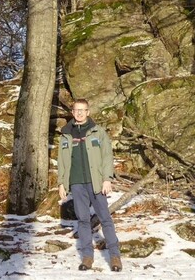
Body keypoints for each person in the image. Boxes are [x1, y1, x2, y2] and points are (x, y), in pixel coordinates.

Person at [57, 99, 122, 272]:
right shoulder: (65, 134)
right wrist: (62, 183)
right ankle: (87, 257)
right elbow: (62, 162)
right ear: (72, 112)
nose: (79, 113)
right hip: (77, 184)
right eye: (76, 110)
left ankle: (115, 256)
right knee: (83, 220)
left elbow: (107, 156)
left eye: (82, 110)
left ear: (88, 112)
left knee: (105, 219)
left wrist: (107, 179)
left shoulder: (98, 132)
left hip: (97, 183)